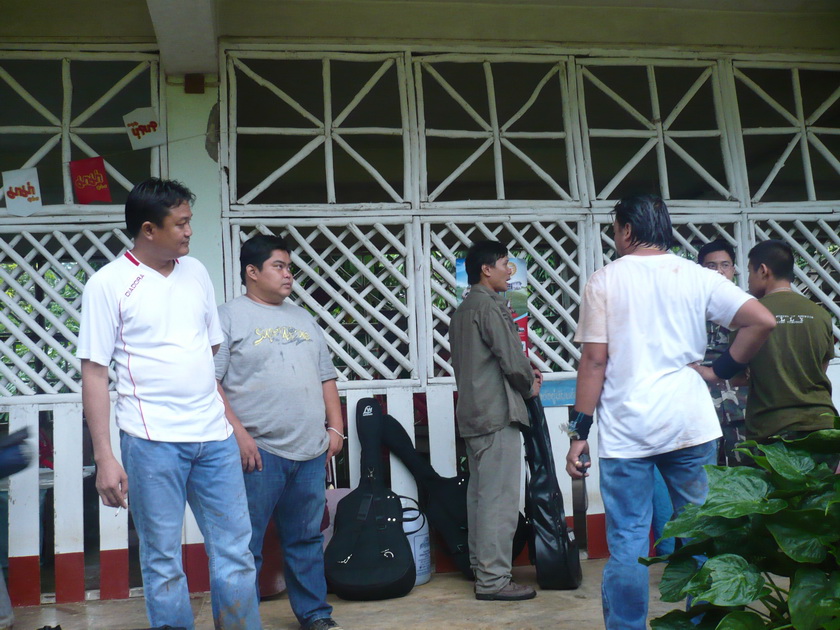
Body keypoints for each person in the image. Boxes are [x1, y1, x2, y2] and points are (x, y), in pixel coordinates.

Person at [564, 195, 775, 630]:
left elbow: (594, 362)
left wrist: (579, 432)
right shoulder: (698, 277)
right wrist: (718, 371)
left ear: (626, 229)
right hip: (690, 425)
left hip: (627, 432)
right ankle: (701, 623)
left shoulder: (605, 281)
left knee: (628, 542)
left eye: (616, 228)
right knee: (698, 532)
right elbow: (761, 320)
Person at [78, 178, 261, 630]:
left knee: (235, 553)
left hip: (214, 438)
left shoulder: (195, 272)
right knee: (162, 560)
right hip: (151, 440)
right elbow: (94, 373)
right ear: (148, 229)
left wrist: (227, 422)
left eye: (189, 221)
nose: (188, 231)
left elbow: (209, 348)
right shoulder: (108, 284)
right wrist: (105, 457)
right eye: (180, 223)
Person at [214, 234, 345, 630]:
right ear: (252, 272)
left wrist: (336, 429)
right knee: (245, 545)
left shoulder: (303, 318)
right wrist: (239, 434)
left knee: (306, 540)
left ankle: (315, 615)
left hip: (310, 451)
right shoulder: (228, 317)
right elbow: (209, 382)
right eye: (279, 266)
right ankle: (242, 623)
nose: (288, 274)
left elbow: (326, 377)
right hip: (259, 451)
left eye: (289, 267)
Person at [448, 240, 542, 602]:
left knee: (480, 498)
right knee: (499, 501)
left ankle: (481, 568)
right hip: (496, 413)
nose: (509, 270)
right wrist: (530, 386)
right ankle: (493, 580)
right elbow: (512, 360)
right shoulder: (489, 307)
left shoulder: (463, 309)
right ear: (486, 270)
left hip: (473, 413)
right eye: (504, 263)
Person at [742, 239, 837, 441]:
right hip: (823, 426)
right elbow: (821, 369)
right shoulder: (820, 314)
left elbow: (736, 377)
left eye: (750, 272)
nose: (748, 280)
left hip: (771, 430)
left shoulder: (749, 315)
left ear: (763, 270)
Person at [697, 240, 749, 465]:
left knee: (745, 472)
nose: (719, 271)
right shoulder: (689, 308)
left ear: (733, 269)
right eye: (711, 266)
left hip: (740, 405)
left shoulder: (748, 309)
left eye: (725, 265)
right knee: (706, 476)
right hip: (700, 409)